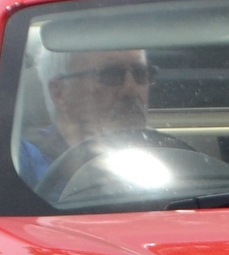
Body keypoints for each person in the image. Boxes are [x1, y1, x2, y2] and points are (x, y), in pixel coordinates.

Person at [16, 47, 159, 189]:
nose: (131, 90)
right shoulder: (22, 160)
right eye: (110, 74)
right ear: (59, 92)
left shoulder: (164, 151)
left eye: (141, 73)